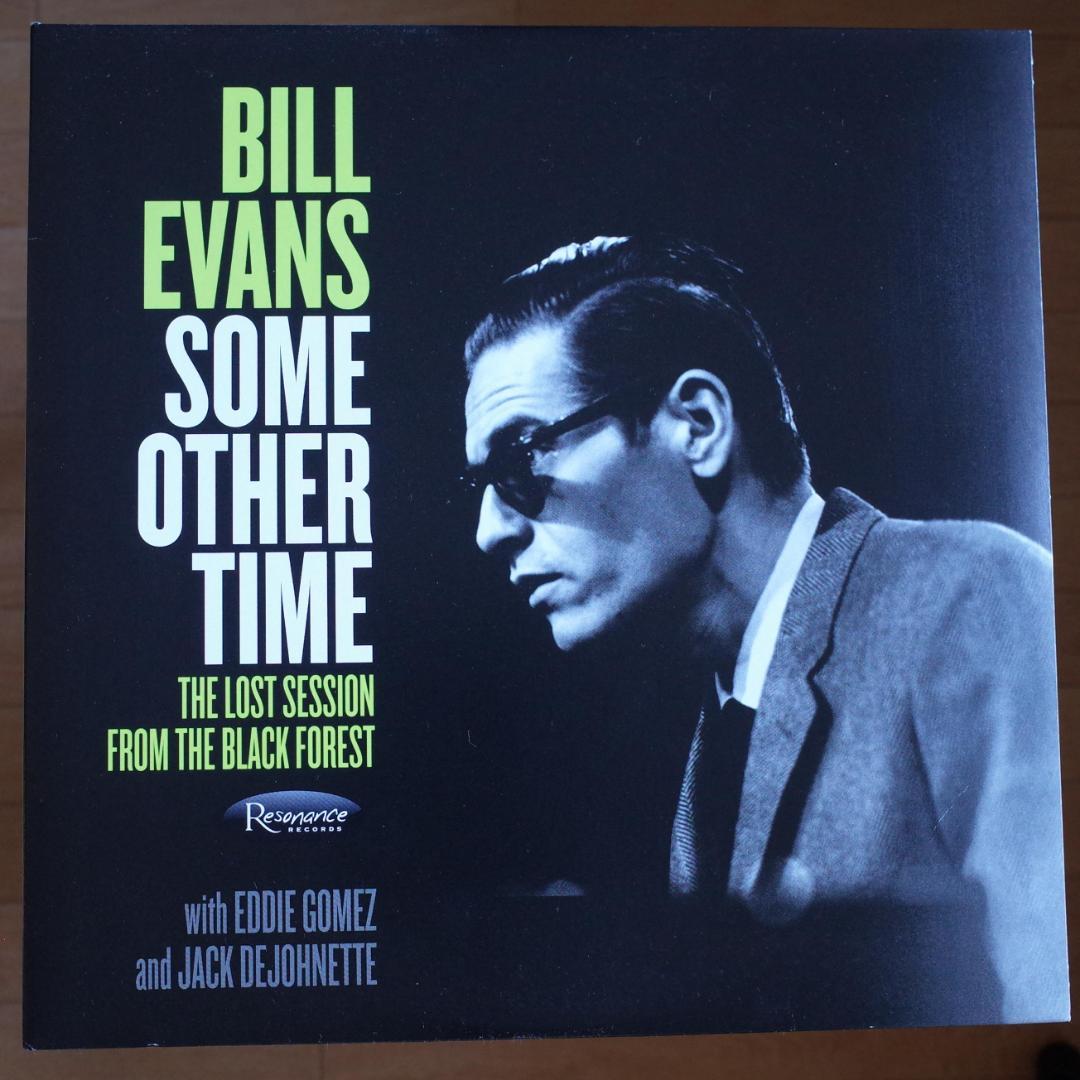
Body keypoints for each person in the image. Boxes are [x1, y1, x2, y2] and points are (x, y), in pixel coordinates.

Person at [461, 235, 1067, 1024]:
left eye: (521, 458)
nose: (489, 531)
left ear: (698, 423)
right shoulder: (717, 722)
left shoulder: (971, 596)